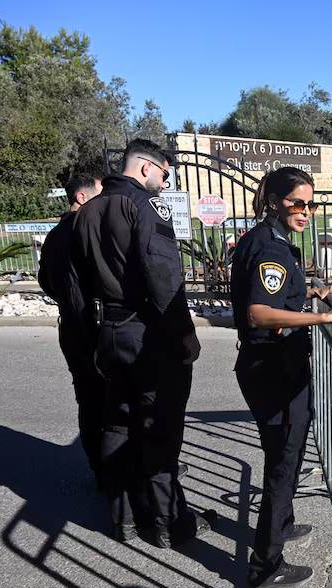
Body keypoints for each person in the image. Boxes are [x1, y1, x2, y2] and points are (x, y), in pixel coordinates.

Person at [71, 139, 210, 546]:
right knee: (160, 426)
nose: (165, 184)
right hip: (146, 334)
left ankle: (124, 520)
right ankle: (170, 523)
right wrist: (185, 332)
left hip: (108, 334)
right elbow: (164, 277)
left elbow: (76, 290)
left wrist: (94, 342)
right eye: (165, 174)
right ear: (147, 167)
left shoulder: (86, 211)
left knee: (117, 425)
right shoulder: (146, 204)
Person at [230, 167, 332, 588]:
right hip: (272, 369)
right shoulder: (272, 247)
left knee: (288, 453)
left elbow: (277, 294)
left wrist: (309, 293)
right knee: (282, 465)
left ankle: (280, 523)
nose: (306, 211)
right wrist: (324, 316)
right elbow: (258, 312)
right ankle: (265, 565)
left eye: (311, 204)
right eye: (297, 203)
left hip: (273, 365)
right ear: (274, 203)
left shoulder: (267, 239)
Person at [38, 174, 103, 486]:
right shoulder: (89, 230)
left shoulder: (54, 235)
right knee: (112, 400)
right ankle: (118, 472)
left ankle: (99, 468)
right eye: (100, 194)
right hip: (97, 328)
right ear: (81, 197)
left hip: (71, 329)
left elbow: (45, 281)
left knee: (88, 400)